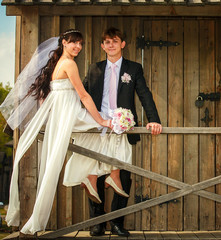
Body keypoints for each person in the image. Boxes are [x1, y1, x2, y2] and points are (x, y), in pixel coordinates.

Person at [0, 30, 112, 235]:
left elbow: (49, 96)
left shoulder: (58, 63)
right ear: (63, 43)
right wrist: (102, 119)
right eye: (73, 43)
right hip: (70, 113)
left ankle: (88, 173)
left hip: (62, 112)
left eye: (80, 43)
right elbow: (84, 95)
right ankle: (90, 173)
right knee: (102, 129)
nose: (77, 47)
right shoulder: (69, 64)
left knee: (92, 136)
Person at [63, 27, 162, 237]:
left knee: (123, 177)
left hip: (122, 129)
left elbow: (144, 94)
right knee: (95, 176)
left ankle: (117, 223)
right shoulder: (94, 68)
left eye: (115, 41)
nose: (111, 45)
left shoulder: (134, 69)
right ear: (102, 46)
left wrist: (153, 120)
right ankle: (97, 223)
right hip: (98, 128)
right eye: (107, 41)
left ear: (122, 44)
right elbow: (82, 95)